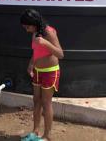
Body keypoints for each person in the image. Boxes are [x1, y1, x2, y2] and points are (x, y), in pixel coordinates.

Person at [20, 9, 64, 141]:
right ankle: (35, 132)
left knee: (46, 103)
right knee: (36, 101)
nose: (26, 30)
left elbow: (60, 54)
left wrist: (46, 43)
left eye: (28, 27)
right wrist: (31, 64)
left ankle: (47, 136)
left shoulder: (49, 32)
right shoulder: (35, 32)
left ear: (34, 23)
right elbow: (37, 51)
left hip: (50, 71)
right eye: (25, 27)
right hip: (38, 71)